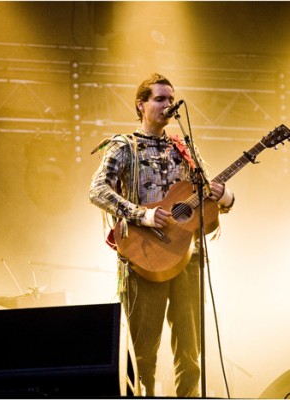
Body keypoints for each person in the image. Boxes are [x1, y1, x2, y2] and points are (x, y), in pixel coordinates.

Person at [89, 73, 235, 397]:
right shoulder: (123, 147)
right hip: (144, 260)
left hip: (188, 257)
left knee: (190, 353)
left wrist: (225, 198)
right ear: (140, 104)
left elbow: (205, 195)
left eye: (171, 99)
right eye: (159, 99)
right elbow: (97, 190)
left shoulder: (184, 147)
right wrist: (143, 214)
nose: (167, 105)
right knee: (144, 354)